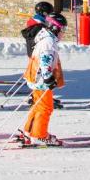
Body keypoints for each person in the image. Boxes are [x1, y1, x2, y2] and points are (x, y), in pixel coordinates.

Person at [18, 12, 68, 146]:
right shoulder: (49, 42)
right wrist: (48, 77)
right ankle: (39, 135)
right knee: (46, 107)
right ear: (55, 28)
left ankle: (30, 130)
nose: (63, 33)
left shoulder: (44, 37)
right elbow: (46, 60)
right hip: (40, 80)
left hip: (35, 77)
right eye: (62, 29)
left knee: (38, 105)